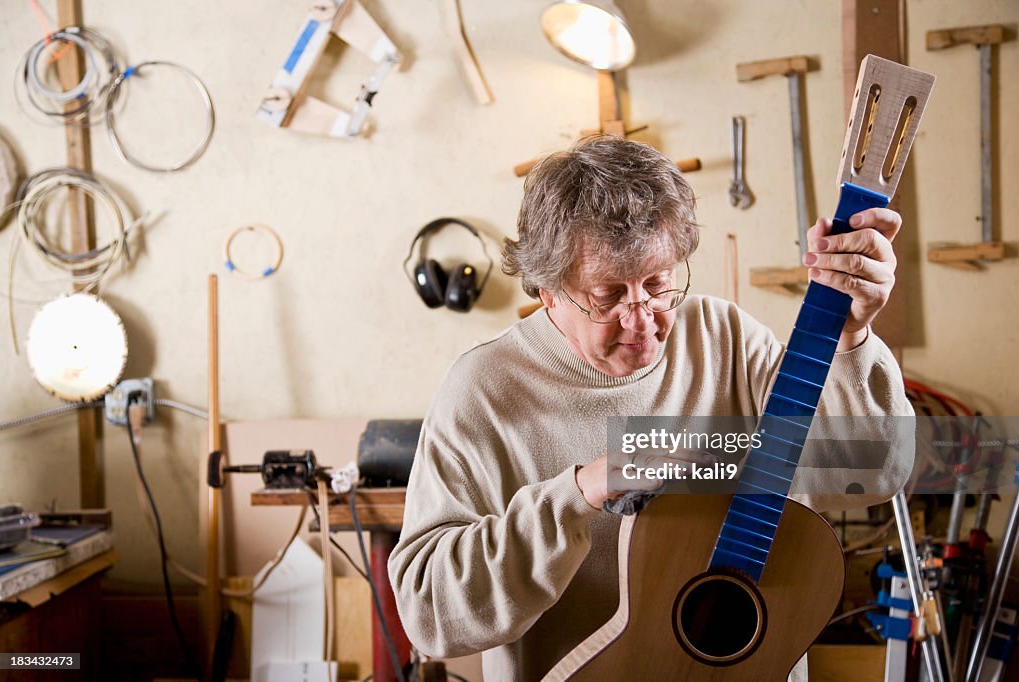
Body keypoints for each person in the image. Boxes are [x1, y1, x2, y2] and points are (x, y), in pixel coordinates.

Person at [388, 135, 913, 681]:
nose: (642, 321)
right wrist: (577, 494)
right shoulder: (483, 391)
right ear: (546, 291)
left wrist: (851, 335)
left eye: (658, 285)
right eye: (607, 296)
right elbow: (430, 616)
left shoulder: (723, 338)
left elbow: (871, 471)